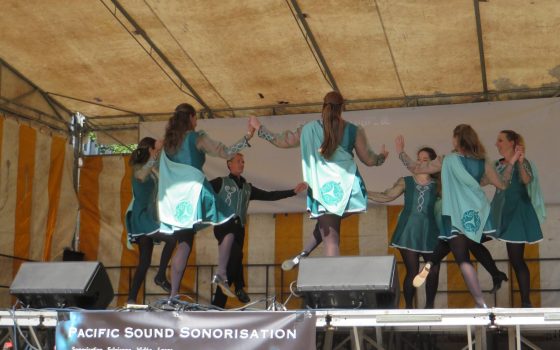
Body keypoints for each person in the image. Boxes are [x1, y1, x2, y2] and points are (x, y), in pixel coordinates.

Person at [249, 91, 388, 267]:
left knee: (330, 238)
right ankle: (302, 255)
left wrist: (260, 128)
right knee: (327, 226)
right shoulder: (353, 130)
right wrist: (382, 157)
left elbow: (282, 141)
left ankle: (331, 287)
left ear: (323, 106)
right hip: (349, 191)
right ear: (342, 108)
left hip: (323, 192)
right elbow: (369, 159)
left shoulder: (308, 129)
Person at [398, 125, 520, 307]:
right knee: (470, 244)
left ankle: (479, 301)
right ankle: (433, 262)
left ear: (457, 139)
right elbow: (501, 184)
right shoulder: (483, 162)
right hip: (475, 215)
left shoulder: (448, 160)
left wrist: (401, 153)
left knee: (462, 257)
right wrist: (511, 163)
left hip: (454, 215)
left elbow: (417, 167)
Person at [157, 103, 254, 299]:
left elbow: (157, 169)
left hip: (175, 200)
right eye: (196, 117)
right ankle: (221, 272)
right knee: (230, 220)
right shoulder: (196, 138)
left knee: (184, 242)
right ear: (191, 118)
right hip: (194, 191)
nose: (197, 121)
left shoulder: (167, 144)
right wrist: (247, 137)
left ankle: (173, 295)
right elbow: (225, 152)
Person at [210, 153, 308, 308]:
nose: (242, 164)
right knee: (236, 254)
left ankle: (217, 305)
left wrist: (292, 192)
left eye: (243, 161)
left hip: (239, 228)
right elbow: (203, 191)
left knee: (232, 263)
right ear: (229, 164)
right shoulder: (220, 182)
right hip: (224, 226)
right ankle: (240, 287)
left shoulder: (248, 188)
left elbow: (269, 195)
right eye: (238, 161)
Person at [368, 146, 440, 309]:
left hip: (430, 232)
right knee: (412, 271)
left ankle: (429, 307)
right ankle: (409, 308)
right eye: (419, 159)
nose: (421, 162)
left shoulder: (438, 185)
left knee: (433, 270)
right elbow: (387, 196)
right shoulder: (406, 181)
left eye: (425, 160)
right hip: (408, 231)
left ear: (433, 164)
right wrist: (363, 192)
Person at [487, 130, 545, 307]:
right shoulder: (497, 164)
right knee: (471, 240)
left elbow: (527, 180)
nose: (497, 144)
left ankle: (526, 302)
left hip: (516, 213)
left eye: (500, 140)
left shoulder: (523, 162)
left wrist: (520, 161)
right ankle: (496, 273)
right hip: (499, 212)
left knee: (516, 259)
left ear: (512, 143)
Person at [125, 137, 176, 304]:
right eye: (155, 150)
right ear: (149, 150)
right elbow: (141, 177)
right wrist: (154, 156)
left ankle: (131, 299)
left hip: (149, 216)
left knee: (144, 262)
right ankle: (161, 276)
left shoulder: (152, 168)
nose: (157, 153)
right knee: (171, 238)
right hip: (142, 217)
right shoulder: (139, 168)